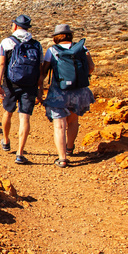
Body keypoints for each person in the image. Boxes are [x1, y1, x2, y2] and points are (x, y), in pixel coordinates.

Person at [37, 23, 96, 167]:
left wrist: (39, 89)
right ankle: (70, 148)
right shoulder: (82, 48)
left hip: (59, 92)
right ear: (70, 35)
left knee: (59, 125)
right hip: (79, 91)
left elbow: (44, 72)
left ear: (56, 37)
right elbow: (91, 67)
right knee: (73, 120)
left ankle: (62, 158)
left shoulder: (52, 50)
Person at [0, 14, 42, 165]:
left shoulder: (6, 42)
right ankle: (20, 153)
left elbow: (2, 64)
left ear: (15, 26)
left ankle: (6, 140)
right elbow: (40, 68)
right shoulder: (36, 44)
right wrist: (40, 88)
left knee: (7, 112)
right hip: (30, 85)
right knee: (25, 118)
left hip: (11, 83)